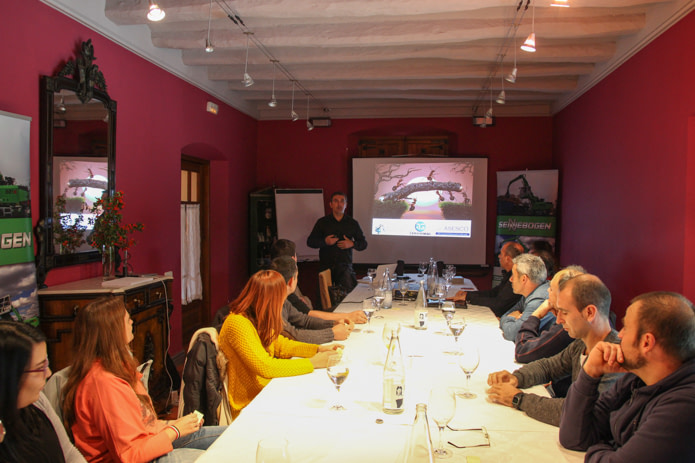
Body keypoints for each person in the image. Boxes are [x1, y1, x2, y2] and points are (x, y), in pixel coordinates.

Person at [62, 297, 224, 462]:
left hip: (150, 444)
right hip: (142, 457)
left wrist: (175, 425)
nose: (132, 322)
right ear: (112, 332)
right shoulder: (103, 384)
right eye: (127, 320)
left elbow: (145, 426)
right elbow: (131, 455)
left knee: (233, 435)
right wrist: (175, 429)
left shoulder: (117, 367)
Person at [559, 291, 695, 461]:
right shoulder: (635, 378)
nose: (620, 334)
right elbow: (573, 438)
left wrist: (603, 447)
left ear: (646, 343)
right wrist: (590, 373)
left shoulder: (683, 407)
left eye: (626, 328)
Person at [487, 274, 622, 426]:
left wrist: (518, 398)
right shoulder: (580, 345)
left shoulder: (614, 357)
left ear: (590, 313)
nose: (558, 320)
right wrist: (517, 378)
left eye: (564, 312)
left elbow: (578, 414)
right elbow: (548, 367)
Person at [219, 270, 341, 418]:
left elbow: (281, 345)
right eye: (280, 301)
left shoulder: (256, 317)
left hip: (266, 392)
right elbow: (266, 366)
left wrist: (317, 349)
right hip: (250, 406)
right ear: (268, 301)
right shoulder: (237, 323)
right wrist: (313, 363)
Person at [0, 321, 86, 462]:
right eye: (40, 368)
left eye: (47, 363)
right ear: (10, 375)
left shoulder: (38, 401)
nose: (48, 373)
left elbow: (69, 453)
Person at [271, 239, 366, 324]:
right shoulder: (285, 287)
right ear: (293, 259)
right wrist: (347, 317)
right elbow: (308, 317)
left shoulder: (271, 279)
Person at [271, 256, 354, 343]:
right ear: (292, 281)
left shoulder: (281, 298)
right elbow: (293, 335)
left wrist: (333, 323)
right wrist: (332, 333)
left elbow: (304, 320)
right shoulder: (273, 303)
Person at [514, 265, 585, 364]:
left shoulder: (568, 326)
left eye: (551, 289)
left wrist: (536, 315)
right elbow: (549, 369)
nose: (547, 291)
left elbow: (523, 352)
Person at [307, 191, 367, 292]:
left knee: (347, 300)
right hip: (325, 268)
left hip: (345, 268)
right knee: (325, 301)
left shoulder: (352, 223)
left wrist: (352, 244)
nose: (339, 204)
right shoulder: (322, 222)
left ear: (346, 205)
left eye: (342, 201)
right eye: (336, 201)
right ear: (330, 204)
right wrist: (325, 241)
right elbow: (310, 242)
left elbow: (363, 244)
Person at [453, 241, 524, 317]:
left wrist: (468, 297)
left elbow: (498, 305)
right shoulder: (510, 274)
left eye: (501, 254)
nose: (499, 256)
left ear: (508, 259)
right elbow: (494, 292)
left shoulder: (517, 278)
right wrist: (468, 294)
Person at [499, 254, 550, 341]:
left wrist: (510, 318)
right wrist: (512, 319)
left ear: (523, 279)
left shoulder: (538, 300)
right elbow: (506, 314)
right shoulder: (530, 293)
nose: (510, 279)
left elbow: (513, 333)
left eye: (513, 276)